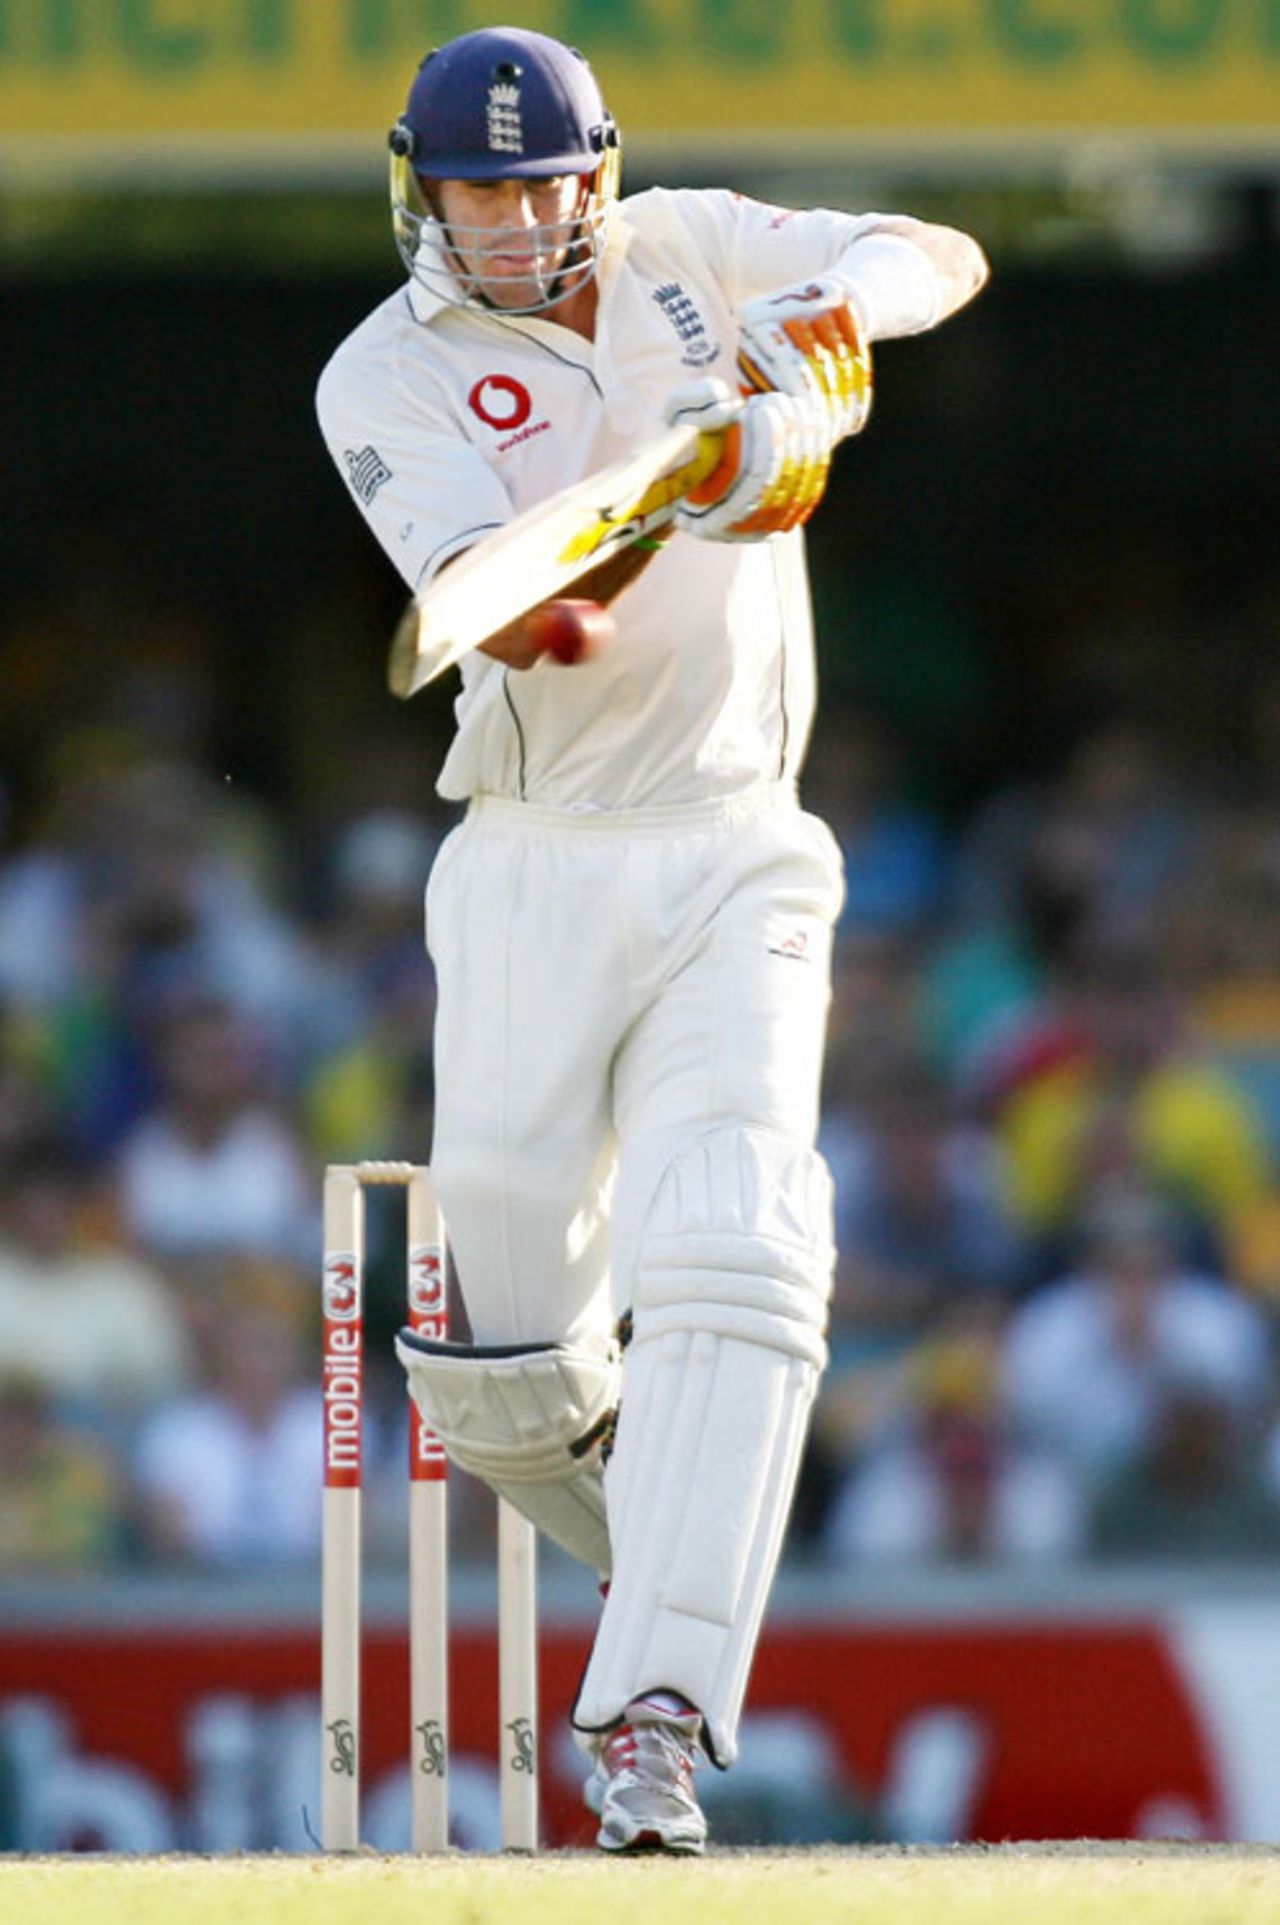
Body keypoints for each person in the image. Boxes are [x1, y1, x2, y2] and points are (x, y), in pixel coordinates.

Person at [316, 25, 988, 1855]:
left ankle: (657, 1719)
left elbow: (942, 250)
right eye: (484, 186)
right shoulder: (380, 379)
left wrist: (827, 329)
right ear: (420, 188)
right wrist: (683, 487)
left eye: (550, 180)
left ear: (599, 172)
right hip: (537, 861)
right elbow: (533, 630)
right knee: (512, 1371)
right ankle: (690, 1537)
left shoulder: (691, 246)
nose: (526, 220)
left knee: (742, 1239)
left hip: (739, 848)